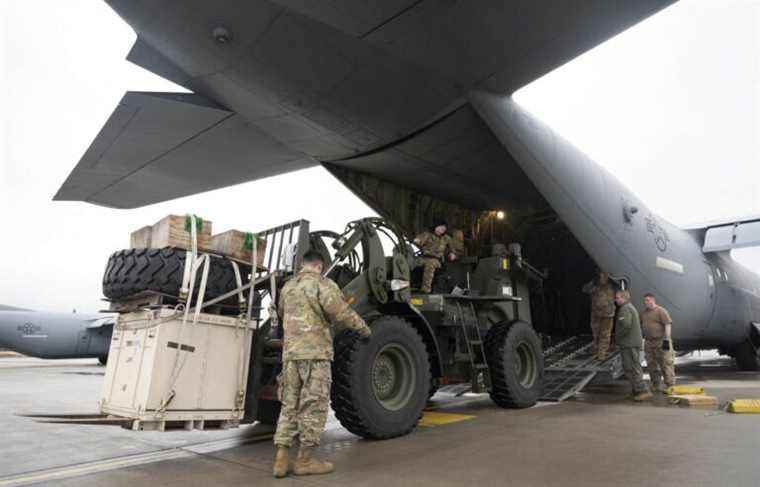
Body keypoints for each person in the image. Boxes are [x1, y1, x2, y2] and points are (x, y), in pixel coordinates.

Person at [272, 250, 372, 478]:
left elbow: (281, 313)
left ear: (303, 265)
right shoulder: (323, 284)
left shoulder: (288, 287)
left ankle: (280, 459)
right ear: (319, 266)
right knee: (313, 407)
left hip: (290, 357)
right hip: (315, 356)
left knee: (289, 406)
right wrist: (364, 329)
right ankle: (304, 461)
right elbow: (341, 312)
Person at [614, 290, 652, 401]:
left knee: (632, 367)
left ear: (623, 298)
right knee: (631, 367)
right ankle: (636, 391)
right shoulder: (629, 307)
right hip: (630, 343)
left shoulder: (625, 309)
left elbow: (625, 326)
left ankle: (642, 391)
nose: (615, 300)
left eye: (617, 298)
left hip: (629, 343)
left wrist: (618, 337)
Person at [640, 293, 675, 392]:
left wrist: (667, 339)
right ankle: (656, 384)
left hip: (661, 340)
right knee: (651, 364)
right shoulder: (644, 313)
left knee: (666, 362)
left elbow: (667, 324)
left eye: (647, 300)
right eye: (645, 300)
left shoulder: (661, 311)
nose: (645, 302)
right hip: (649, 342)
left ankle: (670, 385)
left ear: (652, 300)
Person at [581, 270, 616, 360]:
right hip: (596, 313)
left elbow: (621, 294)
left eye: (605, 276)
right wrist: (593, 283)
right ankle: (597, 350)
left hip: (608, 314)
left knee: (605, 333)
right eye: (601, 276)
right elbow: (585, 289)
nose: (603, 278)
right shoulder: (595, 285)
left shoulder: (612, 285)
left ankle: (602, 353)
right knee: (596, 332)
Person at [414, 220, 457, 293]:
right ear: (436, 227)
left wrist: (452, 254)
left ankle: (425, 290)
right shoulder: (427, 234)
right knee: (411, 264)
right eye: (440, 228)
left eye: (443, 229)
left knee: (430, 264)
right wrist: (417, 241)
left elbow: (453, 249)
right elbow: (417, 241)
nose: (441, 230)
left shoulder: (446, 238)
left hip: (436, 259)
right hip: (423, 257)